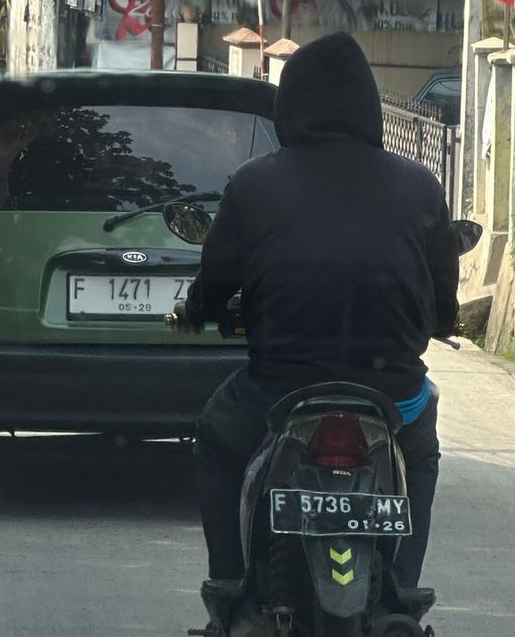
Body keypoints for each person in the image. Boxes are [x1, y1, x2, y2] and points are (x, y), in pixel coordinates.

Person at [180, 31, 459, 592]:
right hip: (393, 394)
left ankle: (229, 584)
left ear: (291, 105)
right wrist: (440, 323)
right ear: (368, 107)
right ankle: (403, 589)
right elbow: (442, 301)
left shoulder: (253, 185)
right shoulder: (421, 188)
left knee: (214, 439)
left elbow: (215, 281)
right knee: (421, 455)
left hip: (278, 392)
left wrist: (199, 310)